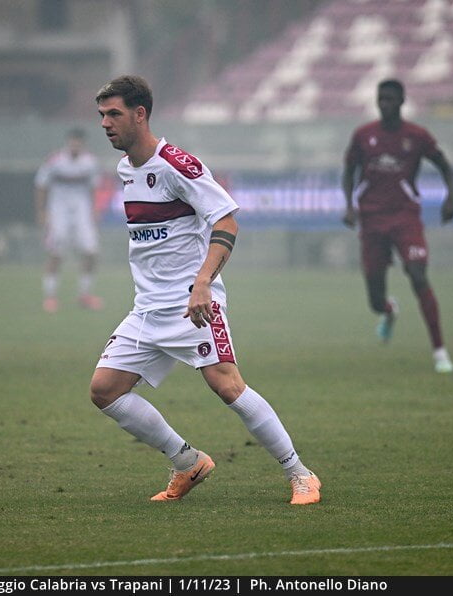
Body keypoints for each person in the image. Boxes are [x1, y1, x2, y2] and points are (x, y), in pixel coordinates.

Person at [90, 75, 321, 505]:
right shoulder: (126, 169)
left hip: (192, 304)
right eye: (102, 115)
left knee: (228, 386)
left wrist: (202, 284)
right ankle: (187, 462)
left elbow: (227, 220)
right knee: (104, 390)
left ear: (140, 114)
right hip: (148, 309)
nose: (105, 123)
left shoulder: (177, 165)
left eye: (114, 114)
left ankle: (301, 475)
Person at [342, 79, 453, 374]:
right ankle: (389, 310)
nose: (385, 104)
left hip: (405, 217)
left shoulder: (416, 136)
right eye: (381, 99)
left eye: (391, 99)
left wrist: (450, 197)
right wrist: (349, 206)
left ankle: (440, 352)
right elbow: (348, 171)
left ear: (402, 101)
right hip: (371, 220)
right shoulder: (363, 135)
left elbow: (444, 166)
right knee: (375, 300)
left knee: (418, 276)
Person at [34, 127, 104, 313]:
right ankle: (50, 297)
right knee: (56, 253)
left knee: (91, 252)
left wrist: (94, 209)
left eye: (78, 141)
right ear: (68, 142)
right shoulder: (55, 161)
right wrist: (42, 211)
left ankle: (85, 295)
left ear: (83, 143)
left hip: (82, 212)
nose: (75, 144)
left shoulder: (90, 162)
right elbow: (41, 185)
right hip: (58, 212)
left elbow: (93, 188)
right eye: (73, 141)